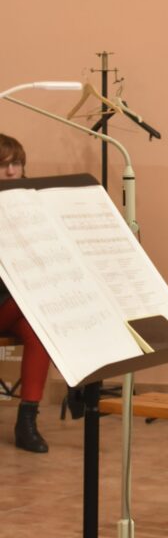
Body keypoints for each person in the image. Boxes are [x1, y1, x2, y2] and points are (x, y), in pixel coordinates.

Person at [0, 134, 53, 453]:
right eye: (3, 165)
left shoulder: (34, 202)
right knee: (33, 301)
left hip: (14, 304)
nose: (11, 172)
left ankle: (27, 422)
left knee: (40, 330)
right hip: (10, 301)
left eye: (16, 164)